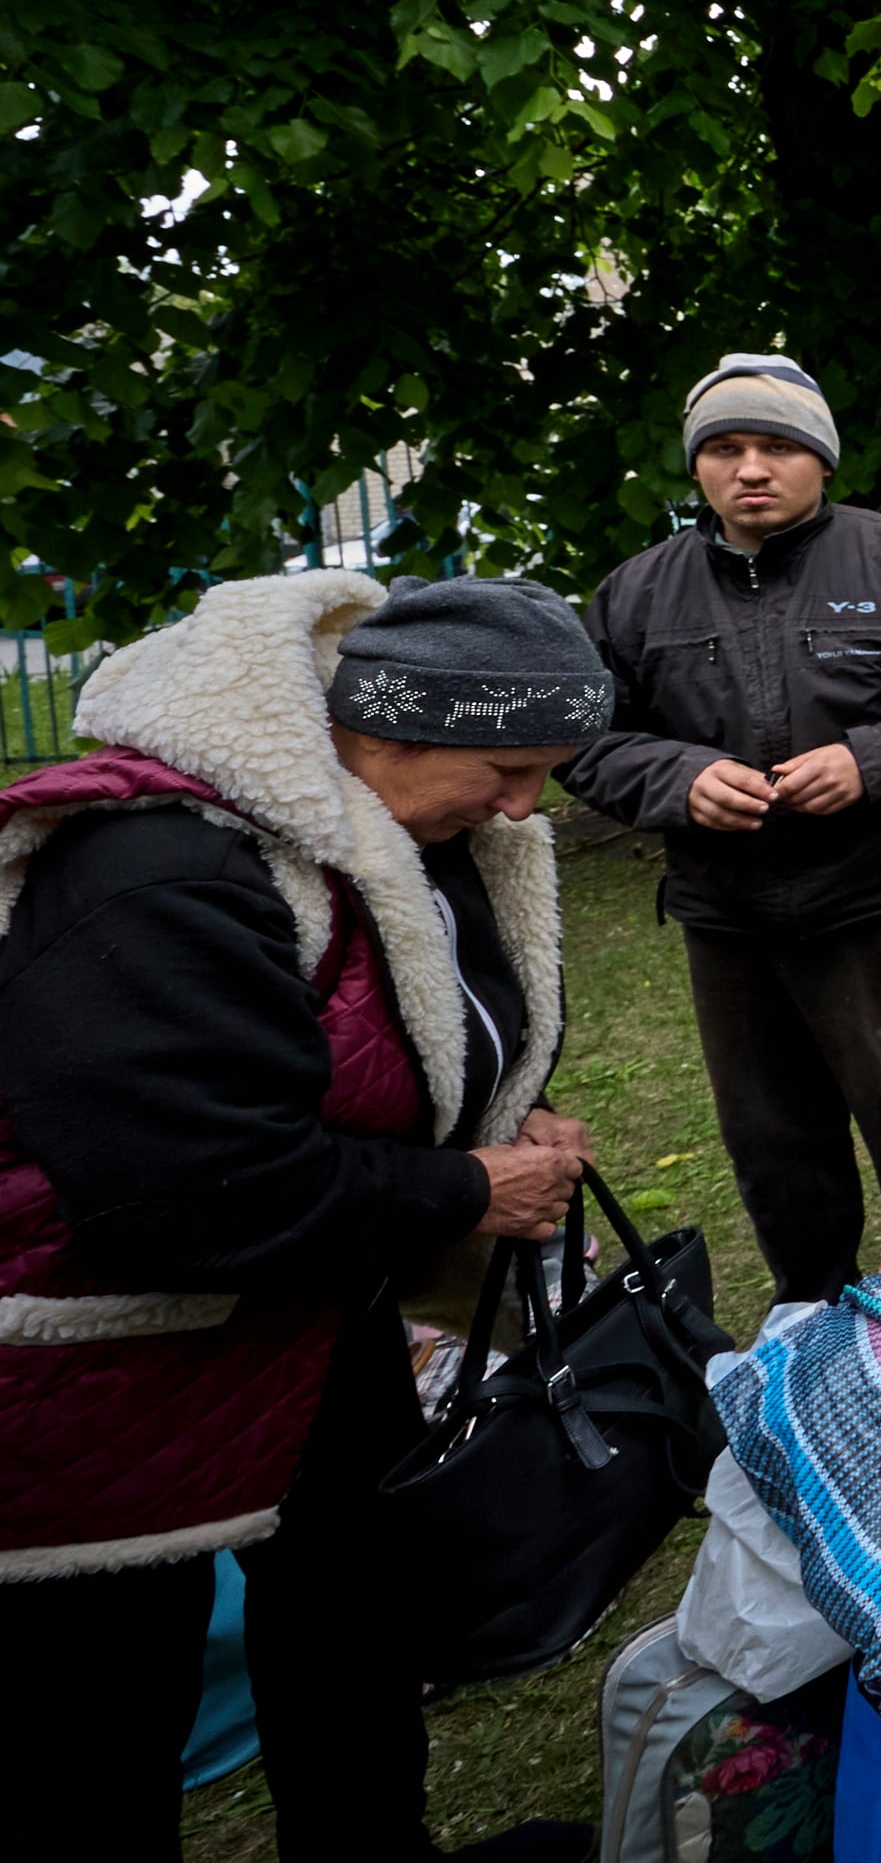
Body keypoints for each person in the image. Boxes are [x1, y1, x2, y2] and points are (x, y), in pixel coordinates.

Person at [0, 571, 617, 1863]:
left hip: (305, 1323)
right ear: (386, 729)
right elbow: (187, 1187)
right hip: (105, 1378)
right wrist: (465, 1191)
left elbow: (400, 1031)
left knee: (352, 1634)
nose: (527, 804)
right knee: (105, 1721)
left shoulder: (391, 838)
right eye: (507, 767)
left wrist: (509, 1119)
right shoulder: (156, 864)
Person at [564, 353, 881, 1300]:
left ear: (820, 459)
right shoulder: (636, 594)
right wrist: (678, 776)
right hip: (729, 920)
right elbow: (581, 736)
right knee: (776, 1146)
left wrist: (872, 759)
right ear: (697, 466)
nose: (750, 467)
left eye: (776, 445)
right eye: (726, 447)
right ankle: (817, 1324)